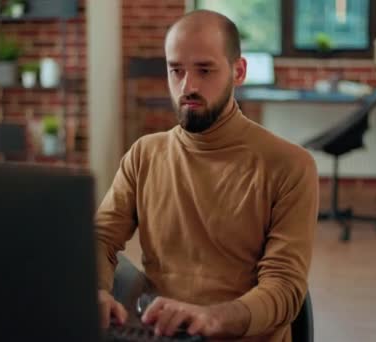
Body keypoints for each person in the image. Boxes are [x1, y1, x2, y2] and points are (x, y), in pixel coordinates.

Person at [95, 9, 319, 342]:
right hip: (164, 335)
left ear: (238, 71)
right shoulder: (145, 154)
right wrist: (96, 289)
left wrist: (214, 318)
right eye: (176, 71)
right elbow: (101, 237)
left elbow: (285, 289)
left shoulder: (290, 165)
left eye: (204, 70)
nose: (188, 86)